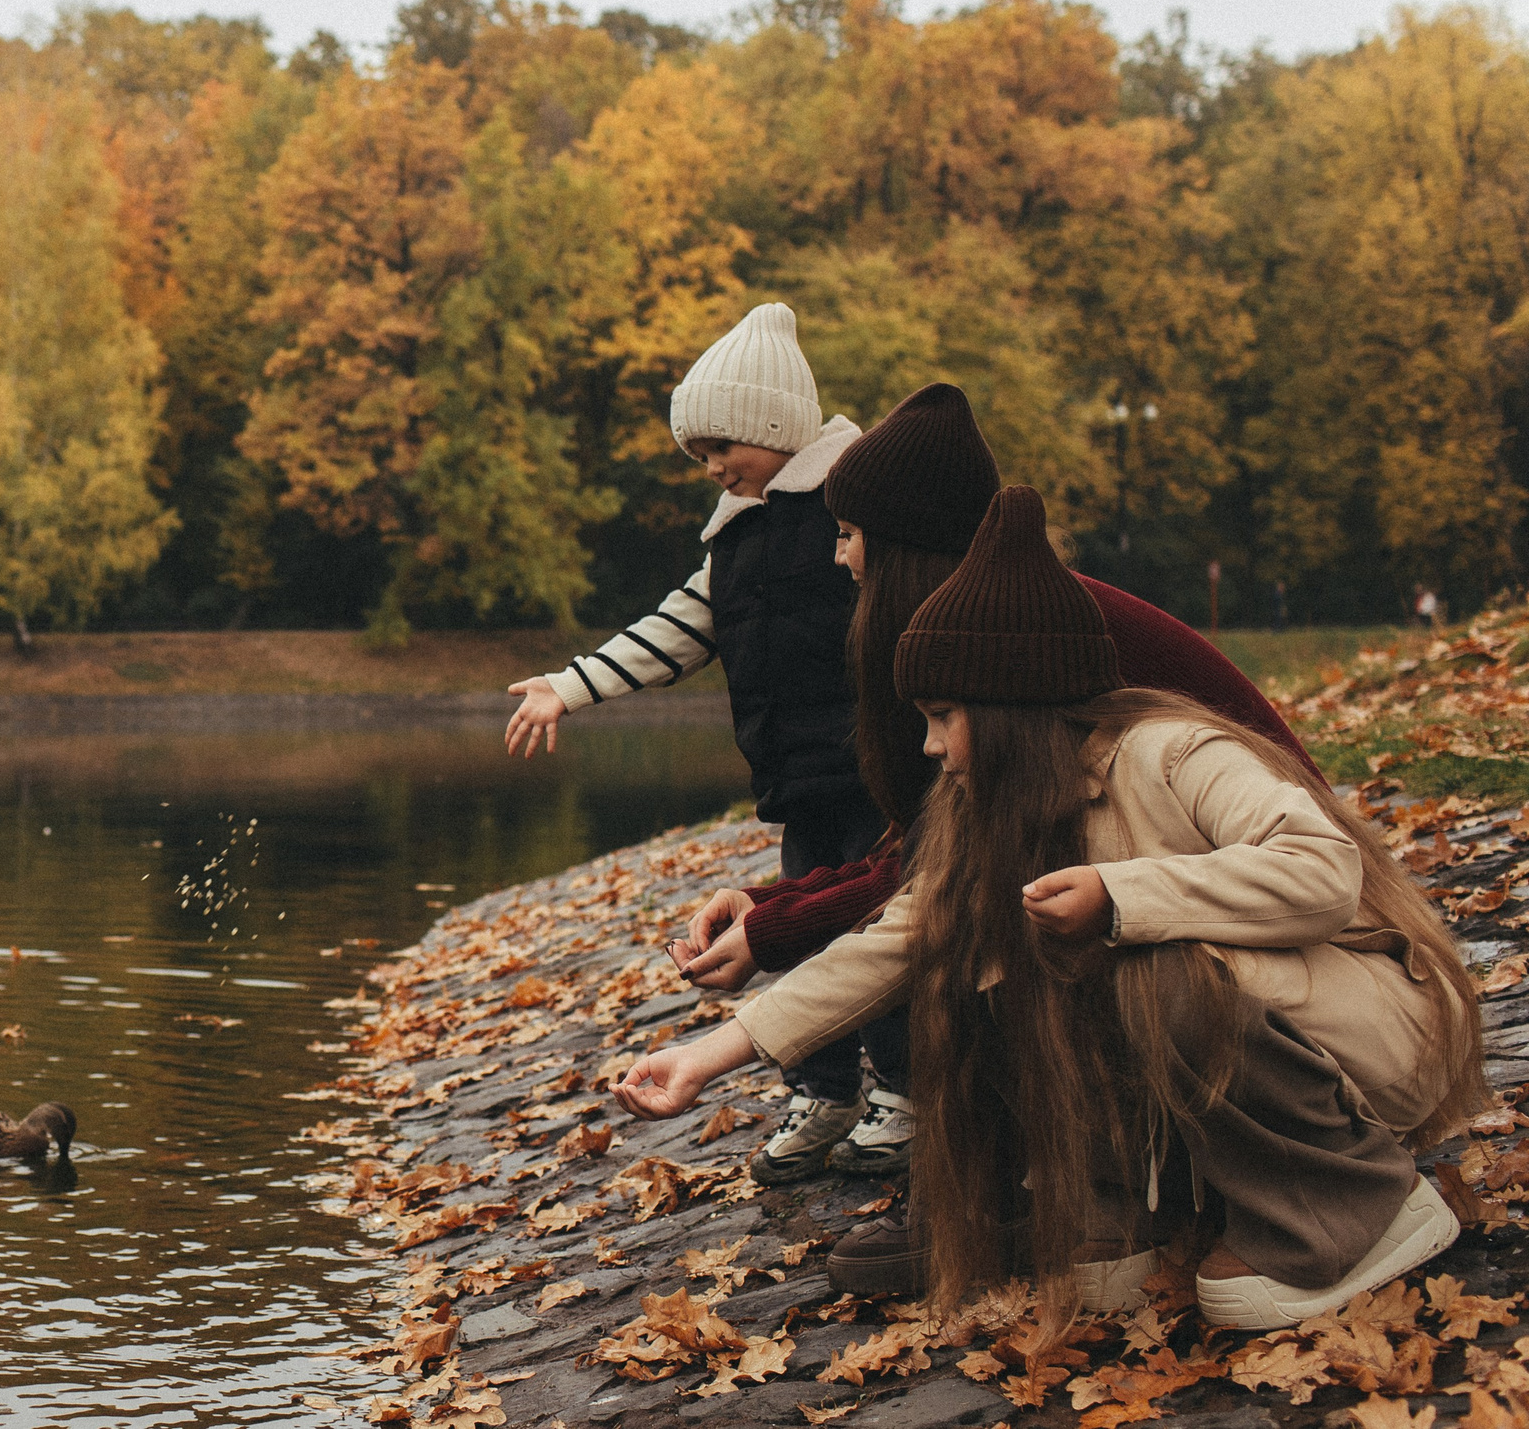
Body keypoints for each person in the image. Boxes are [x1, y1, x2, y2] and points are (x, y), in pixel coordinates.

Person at [612, 487, 1485, 1327]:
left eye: (944, 715)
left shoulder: (1172, 749)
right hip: (1257, 1040)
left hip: (1367, 1038)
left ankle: (1363, 1202)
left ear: (1011, 705)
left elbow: (1323, 870)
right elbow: (894, 942)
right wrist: (709, 1052)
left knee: (1152, 961)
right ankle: (1125, 1198)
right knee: (982, 964)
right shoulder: (995, 811)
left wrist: (1122, 895)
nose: (930, 746)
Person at [671, 384, 1319, 1182]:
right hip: (1189, 882)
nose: (836, 555)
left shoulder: (1016, 644)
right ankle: (1038, 1178)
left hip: (1252, 907)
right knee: (982, 919)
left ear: (904, 540)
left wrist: (776, 930)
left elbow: (938, 877)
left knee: (995, 943)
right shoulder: (955, 644)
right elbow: (922, 857)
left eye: (846, 533)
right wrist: (772, 913)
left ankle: (1045, 1177)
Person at [502, 303, 881, 1184]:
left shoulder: (850, 515)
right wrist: (571, 683)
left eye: (722, 446)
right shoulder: (734, 538)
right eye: (700, 453)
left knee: (868, 925)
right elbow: (676, 630)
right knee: (797, 928)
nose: (711, 467)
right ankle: (821, 1089)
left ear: (778, 428)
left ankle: (901, 1087)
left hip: (873, 769)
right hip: (795, 779)